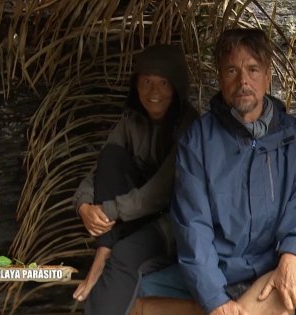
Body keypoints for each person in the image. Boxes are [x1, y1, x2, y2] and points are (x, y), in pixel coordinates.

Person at [170, 28, 296, 315]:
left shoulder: (290, 133)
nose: (243, 81)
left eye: (252, 69)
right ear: (220, 77)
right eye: (232, 71)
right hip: (223, 271)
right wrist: (215, 299)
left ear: (267, 75)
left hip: (273, 265)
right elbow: (192, 226)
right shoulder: (198, 140)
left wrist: (290, 255)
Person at [71, 44, 198, 315]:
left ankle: (105, 255)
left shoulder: (191, 127)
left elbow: (159, 192)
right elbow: (100, 171)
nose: (154, 92)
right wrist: (83, 207)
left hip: (176, 222)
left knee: (125, 254)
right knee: (111, 157)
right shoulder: (131, 121)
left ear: (176, 86)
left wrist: (105, 212)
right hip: (137, 213)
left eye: (164, 83)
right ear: (136, 85)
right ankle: (103, 251)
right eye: (146, 82)